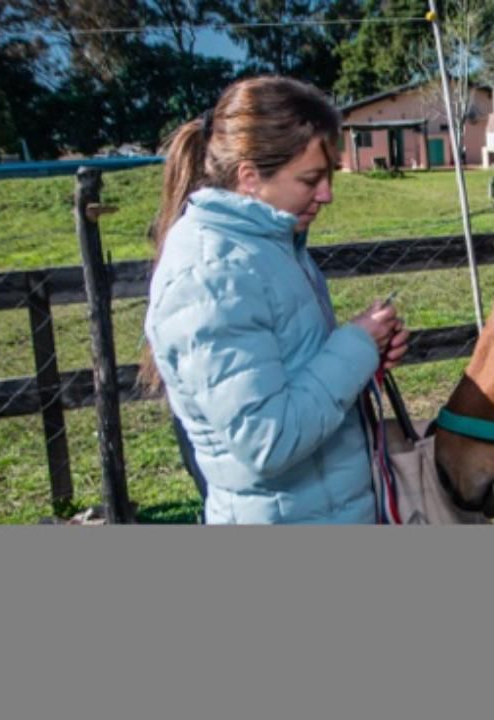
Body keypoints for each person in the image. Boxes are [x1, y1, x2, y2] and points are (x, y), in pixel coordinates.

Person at [141, 76, 410, 524]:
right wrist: (357, 345)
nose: (326, 194)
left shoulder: (271, 249)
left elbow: (292, 375)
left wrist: (368, 359)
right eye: (311, 179)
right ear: (249, 178)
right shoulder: (211, 277)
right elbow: (267, 438)